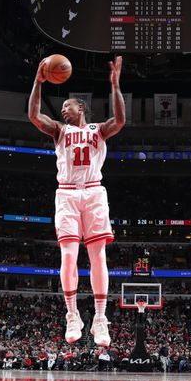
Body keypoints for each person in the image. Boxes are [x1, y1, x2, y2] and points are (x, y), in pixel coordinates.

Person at [28, 56, 125, 347]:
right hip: (67, 192)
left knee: (98, 257)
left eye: (66, 106)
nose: (62, 110)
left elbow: (120, 120)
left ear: (80, 107)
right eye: (61, 109)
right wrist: (38, 81)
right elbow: (34, 116)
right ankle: (72, 315)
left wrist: (115, 85)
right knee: (68, 256)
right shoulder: (59, 130)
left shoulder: (98, 130)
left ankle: (99, 317)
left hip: (94, 191)